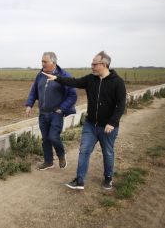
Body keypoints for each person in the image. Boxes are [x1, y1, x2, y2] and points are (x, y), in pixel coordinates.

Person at [42, 51, 126, 190]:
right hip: (90, 125)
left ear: (104, 65)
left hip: (108, 127)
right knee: (84, 151)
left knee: (108, 152)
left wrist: (112, 122)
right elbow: (74, 82)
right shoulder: (90, 79)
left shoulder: (117, 82)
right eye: (92, 63)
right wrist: (57, 78)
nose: (91, 66)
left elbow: (121, 104)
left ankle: (108, 178)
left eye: (94, 64)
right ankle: (79, 180)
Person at [25, 52, 77, 170]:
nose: (42, 64)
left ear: (53, 62)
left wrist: (62, 109)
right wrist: (29, 105)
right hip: (43, 113)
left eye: (45, 62)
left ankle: (61, 155)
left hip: (56, 113)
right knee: (45, 139)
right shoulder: (40, 75)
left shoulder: (64, 76)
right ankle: (48, 162)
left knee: (53, 137)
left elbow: (72, 96)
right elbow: (34, 91)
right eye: (42, 61)